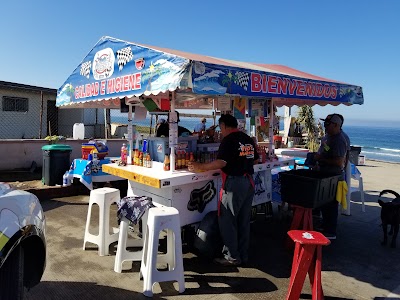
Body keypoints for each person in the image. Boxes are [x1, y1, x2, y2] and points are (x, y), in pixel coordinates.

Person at [188, 114, 259, 266]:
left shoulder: (228, 140)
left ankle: (232, 257)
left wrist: (201, 167)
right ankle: (243, 254)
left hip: (234, 184)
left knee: (227, 219)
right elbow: (256, 159)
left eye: (221, 127)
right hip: (248, 183)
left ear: (225, 126)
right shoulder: (247, 138)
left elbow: (221, 163)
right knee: (243, 221)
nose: (220, 131)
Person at [314, 113, 348, 240]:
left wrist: (321, 158)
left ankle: (330, 231)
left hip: (333, 176)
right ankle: (325, 224)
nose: (325, 126)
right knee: (324, 203)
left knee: (331, 204)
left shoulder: (339, 140)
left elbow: (339, 162)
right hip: (325, 173)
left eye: (328, 124)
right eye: (325, 123)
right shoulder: (328, 137)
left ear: (336, 125)